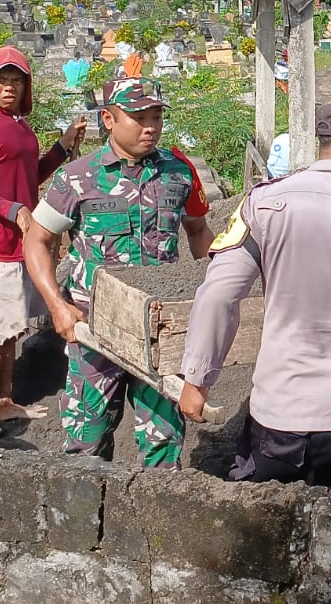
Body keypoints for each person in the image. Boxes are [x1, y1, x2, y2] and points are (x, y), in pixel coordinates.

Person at [179, 99, 331, 498]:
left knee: (263, 529)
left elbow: (219, 294)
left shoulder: (266, 204)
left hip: (285, 415)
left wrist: (197, 379)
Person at [23, 77, 214, 465]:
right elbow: (37, 240)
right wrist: (57, 306)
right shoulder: (78, 178)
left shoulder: (178, 173)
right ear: (108, 119)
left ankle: (159, 521)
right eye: (139, 116)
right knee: (86, 443)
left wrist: (217, 294)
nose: (151, 126)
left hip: (158, 335)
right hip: (96, 333)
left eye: (157, 116)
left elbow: (199, 233)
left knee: (163, 444)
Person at [0, 46, 88, 437]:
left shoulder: (19, 126)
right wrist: (14, 210)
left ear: (26, 86)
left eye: (16, 80)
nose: (9, 87)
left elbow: (33, 176)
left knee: (14, 326)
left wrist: (63, 148)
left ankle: (3, 400)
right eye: (2, 80)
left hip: (23, 243)